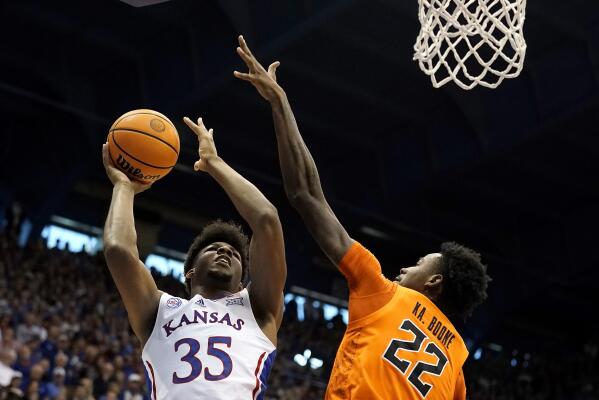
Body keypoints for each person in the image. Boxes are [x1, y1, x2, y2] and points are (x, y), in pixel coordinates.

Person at [234, 35, 491, 399]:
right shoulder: (456, 367)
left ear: (434, 282)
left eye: (418, 264)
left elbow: (305, 194)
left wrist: (279, 102)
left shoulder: (383, 292)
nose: (404, 270)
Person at [101, 115, 287, 399]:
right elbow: (118, 250)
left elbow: (266, 219)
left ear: (241, 285)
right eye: (213, 249)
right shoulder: (159, 309)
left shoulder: (258, 309)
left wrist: (215, 164)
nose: (225, 251)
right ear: (189, 272)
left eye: (235, 254)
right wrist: (124, 187)